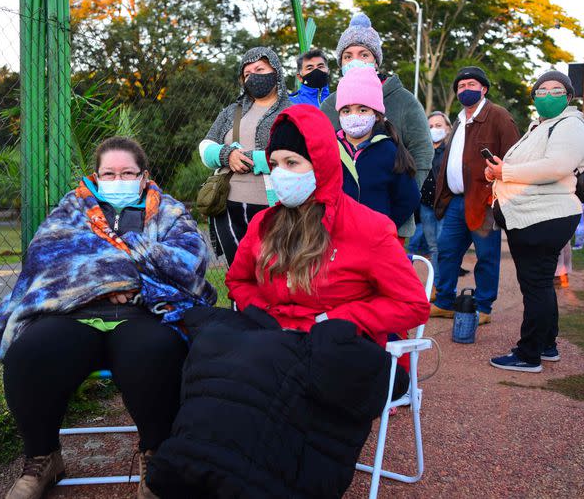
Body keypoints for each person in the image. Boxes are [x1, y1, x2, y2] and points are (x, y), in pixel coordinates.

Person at [145, 105, 430, 498]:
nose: (281, 173)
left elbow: (412, 305)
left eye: (293, 162)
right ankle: (198, 466)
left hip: (340, 347)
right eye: (275, 162)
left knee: (262, 366)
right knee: (211, 341)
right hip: (275, 334)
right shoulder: (266, 223)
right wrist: (259, 311)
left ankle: (250, 481)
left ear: (322, 163)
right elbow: (239, 279)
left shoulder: (368, 227)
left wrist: (339, 317)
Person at [0, 137, 217, 499]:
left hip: (142, 311)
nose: (118, 179)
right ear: (95, 178)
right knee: (29, 354)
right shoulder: (71, 210)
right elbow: (47, 258)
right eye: (109, 174)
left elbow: (189, 260)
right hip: (75, 313)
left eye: (127, 172)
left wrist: (120, 277)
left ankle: (156, 456)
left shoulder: (170, 212)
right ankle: (43, 458)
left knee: (156, 353)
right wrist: (106, 281)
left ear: (144, 177)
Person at [486, 70, 584, 372]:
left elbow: (554, 167)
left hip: (545, 216)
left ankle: (528, 354)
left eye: (556, 90)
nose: (548, 95)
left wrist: (505, 173)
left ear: (568, 96)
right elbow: (523, 165)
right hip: (532, 215)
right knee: (540, 284)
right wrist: (495, 171)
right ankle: (546, 344)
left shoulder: (570, 126)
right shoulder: (541, 127)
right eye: (541, 91)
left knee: (536, 285)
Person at [320, 12, 433, 243]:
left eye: (364, 54)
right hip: (336, 227)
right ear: (340, 62)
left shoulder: (404, 101)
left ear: (376, 60)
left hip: (392, 226)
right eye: (348, 56)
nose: (355, 60)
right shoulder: (330, 104)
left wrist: (400, 198)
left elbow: (423, 152)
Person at [430, 66, 520, 325]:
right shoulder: (459, 119)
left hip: (485, 201)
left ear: (484, 89)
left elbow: (514, 157)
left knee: (486, 255)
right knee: (447, 251)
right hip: (457, 201)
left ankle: (483, 307)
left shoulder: (498, 116)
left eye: (471, 85)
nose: (465, 90)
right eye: (460, 86)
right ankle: (445, 301)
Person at [199, 47, 291, 265]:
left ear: (276, 71)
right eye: (247, 74)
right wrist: (226, 154)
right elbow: (205, 146)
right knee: (239, 271)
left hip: (276, 207)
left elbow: (300, 154)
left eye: (260, 69)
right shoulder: (232, 111)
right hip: (228, 204)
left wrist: (255, 159)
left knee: (274, 272)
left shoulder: (292, 111)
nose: (253, 76)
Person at [335, 66, 420, 234]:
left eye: (363, 109)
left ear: (377, 115)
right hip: (336, 238)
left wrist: (386, 227)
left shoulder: (389, 150)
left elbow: (409, 198)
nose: (354, 115)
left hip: (375, 240)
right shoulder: (330, 147)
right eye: (346, 110)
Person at [420, 111, 453, 298]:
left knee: (443, 247)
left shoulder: (451, 152)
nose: (434, 130)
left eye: (439, 126)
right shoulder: (423, 150)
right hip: (425, 205)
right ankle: (435, 285)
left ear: (448, 129)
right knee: (433, 248)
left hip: (444, 205)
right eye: (431, 126)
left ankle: (443, 287)